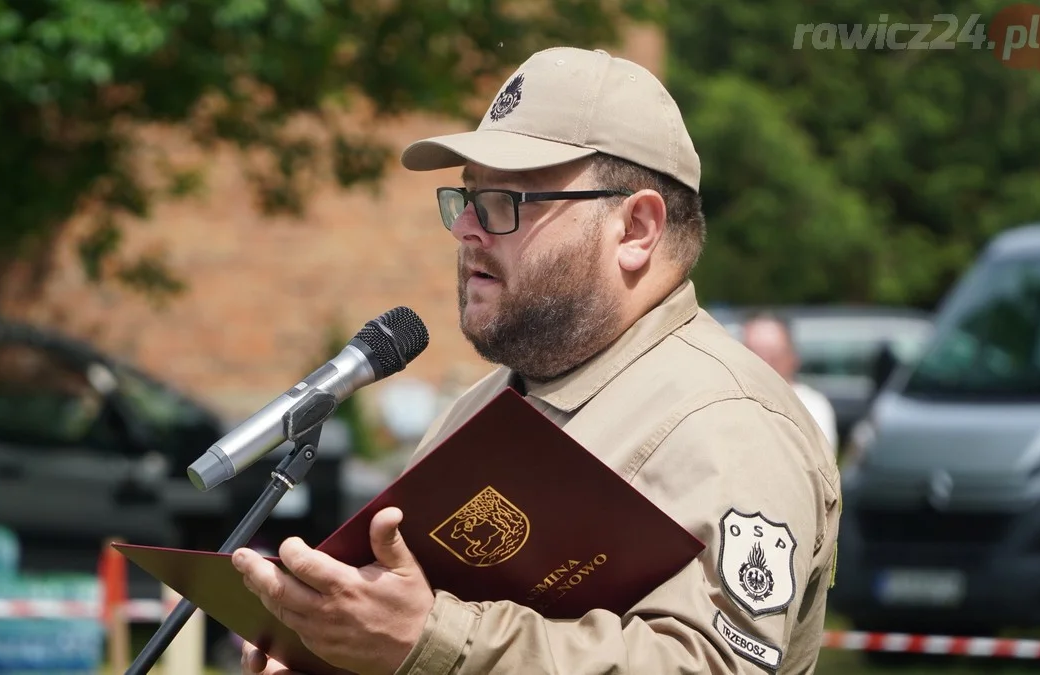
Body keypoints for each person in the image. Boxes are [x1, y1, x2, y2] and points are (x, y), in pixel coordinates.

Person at [233, 46, 842, 675]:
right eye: (466, 198)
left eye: (505, 200)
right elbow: (407, 626)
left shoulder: (730, 423)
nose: (466, 228)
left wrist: (435, 640)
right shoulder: (482, 407)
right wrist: (336, 650)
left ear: (635, 229)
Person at [740, 313, 839, 452]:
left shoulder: (812, 406)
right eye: (753, 354)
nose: (763, 364)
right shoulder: (725, 403)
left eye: (773, 355)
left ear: (793, 358)